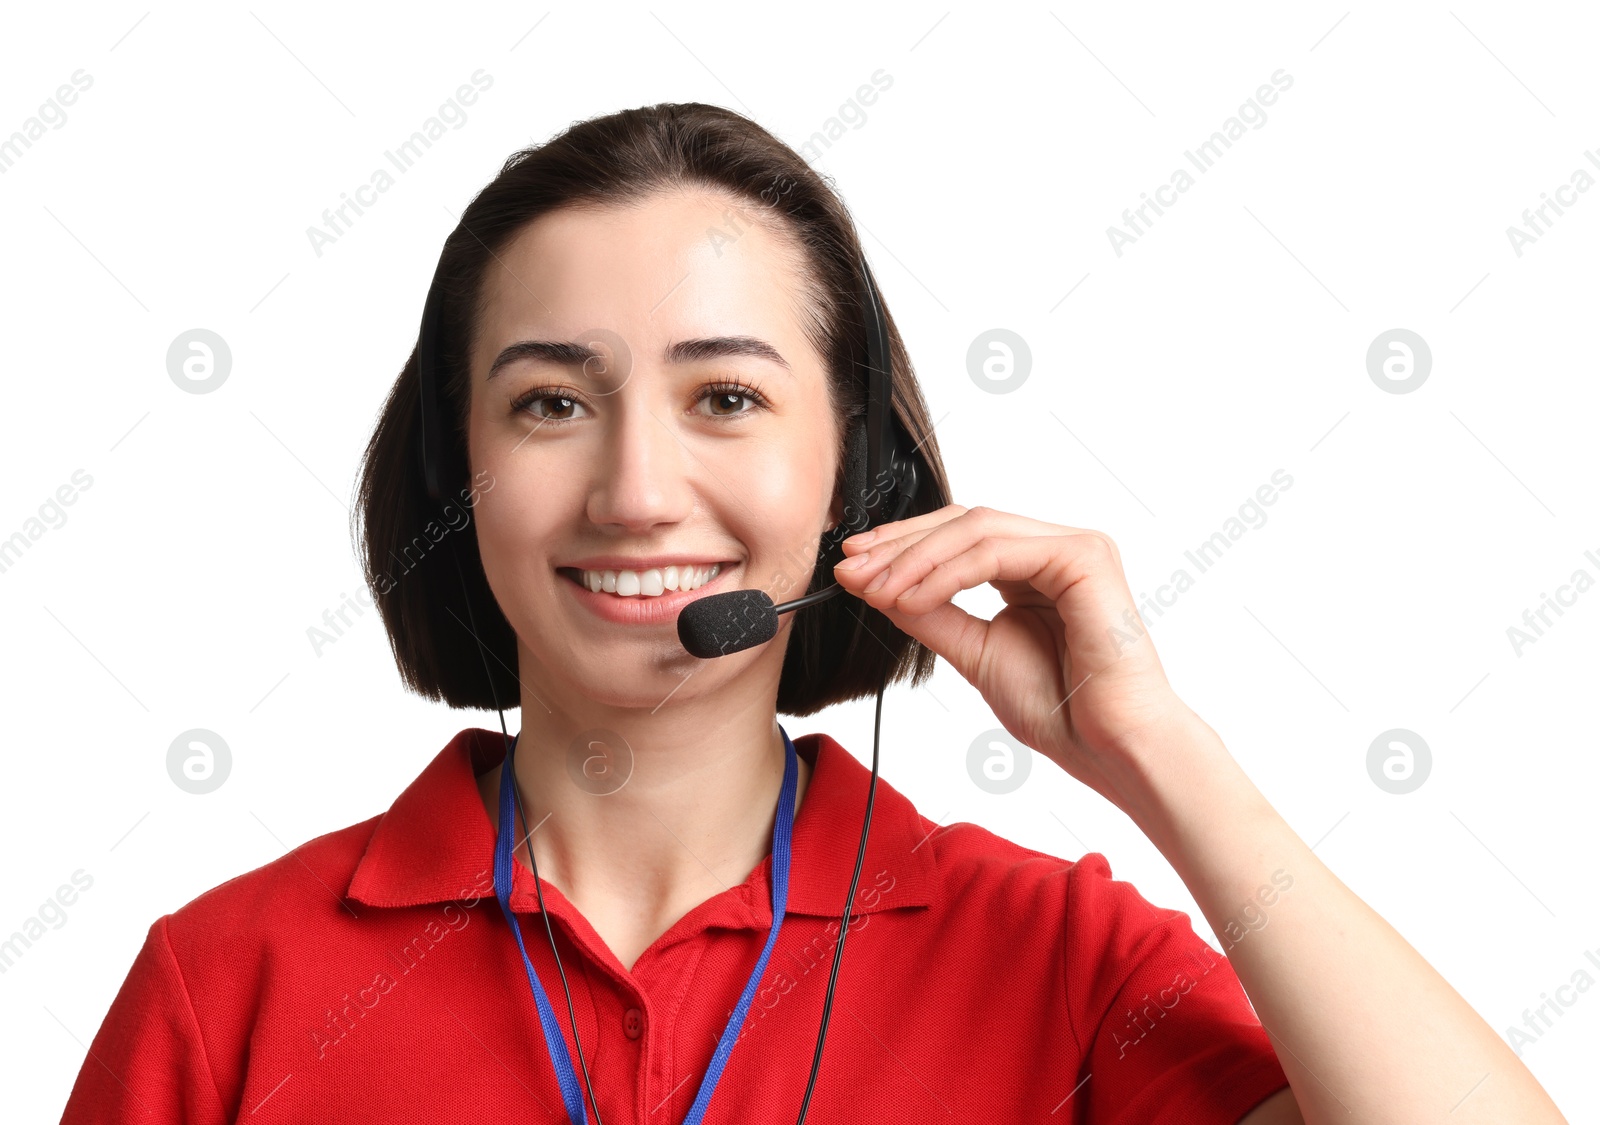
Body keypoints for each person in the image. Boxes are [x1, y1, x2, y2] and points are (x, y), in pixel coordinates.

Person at [60, 103, 1566, 1125]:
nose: (638, 489)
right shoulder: (228, 986)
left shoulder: (1050, 955)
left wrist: (1160, 752)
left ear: (860, 465)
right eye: (551, 401)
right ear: (460, 464)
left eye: (725, 395)